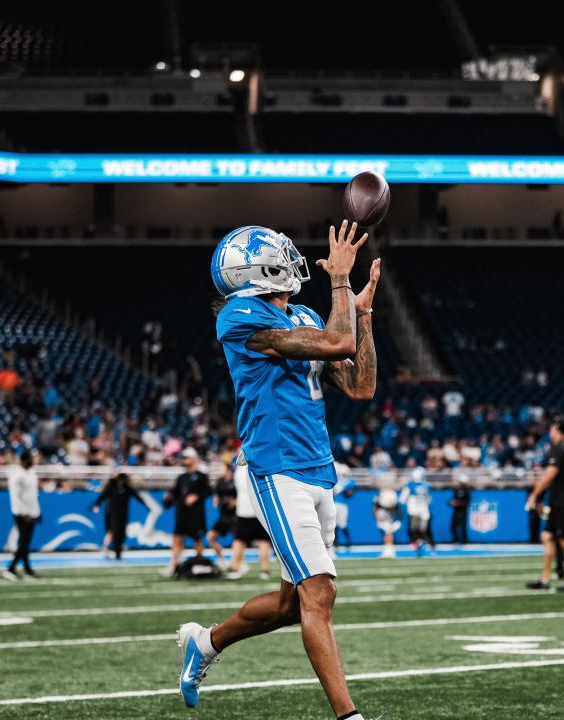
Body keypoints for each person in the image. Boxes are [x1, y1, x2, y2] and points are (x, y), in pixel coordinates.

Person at [176, 222, 380, 719]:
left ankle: (206, 643)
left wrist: (364, 311)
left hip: (316, 465)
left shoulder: (305, 313)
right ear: (257, 269)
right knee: (320, 592)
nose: (292, 258)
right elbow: (337, 344)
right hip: (277, 466)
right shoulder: (240, 316)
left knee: (293, 604)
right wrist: (339, 286)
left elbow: (360, 386)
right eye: (279, 254)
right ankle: (348, 717)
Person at [525, 418, 564, 591]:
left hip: (561, 502)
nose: (550, 431)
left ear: (557, 429)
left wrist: (534, 494)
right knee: (547, 536)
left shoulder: (557, 450)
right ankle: (544, 579)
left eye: (552, 428)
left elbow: (550, 473)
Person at [165, 449, 214, 574]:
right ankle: (174, 565)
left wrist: (196, 496)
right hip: (182, 513)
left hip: (196, 514)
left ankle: (199, 562)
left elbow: (208, 491)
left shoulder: (201, 476)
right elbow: (175, 493)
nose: (185, 460)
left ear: (194, 459)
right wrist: (169, 497)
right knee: (177, 538)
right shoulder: (181, 477)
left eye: (187, 457)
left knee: (197, 539)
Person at [228, 461, 273, 581]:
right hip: (259, 508)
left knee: (239, 540)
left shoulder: (239, 470)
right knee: (263, 541)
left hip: (243, 510)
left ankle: (235, 568)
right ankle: (265, 571)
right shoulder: (261, 465)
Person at [91, 471, 147, 560]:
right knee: (112, 532)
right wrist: (96, 504)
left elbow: (137, 497)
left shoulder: (127, 488)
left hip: (123, 514)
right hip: (112, 514)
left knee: (120, 533)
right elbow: (102, 496)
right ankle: (110, 550)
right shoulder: (112, 486)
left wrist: (147, 505)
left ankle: (117, 550)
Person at [4, 450, 41, 581]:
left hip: (31, 513)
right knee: (24, 543)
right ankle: (11, 568)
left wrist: (36, 512)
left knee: (26, 542)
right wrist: (23, 512)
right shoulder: (18, 475)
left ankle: (27, 569)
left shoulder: (31, 473)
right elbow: (16, 496)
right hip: (22, 513)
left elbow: (33, 496)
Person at [206, 463, 239, 568]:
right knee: (210, 537)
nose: (220, 470)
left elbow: (243, 496)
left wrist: (235, 502)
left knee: (237, 542)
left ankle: (238, 562)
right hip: (223, 516)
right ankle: (221, 558)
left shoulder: (236, 481)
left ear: (228, 470)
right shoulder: (219, 482)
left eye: (222, 468)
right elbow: (217, 496)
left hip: (235, 516)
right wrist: (217, 500)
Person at [399, 468, 434, 556]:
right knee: (422, 529)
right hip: (423, 509)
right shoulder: (426, 485)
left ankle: (419, 543)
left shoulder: (410, 485)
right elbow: (429, 499)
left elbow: (402, 499)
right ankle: (424, 544)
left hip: (414, 509)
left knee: (415, 529)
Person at [331, 462, 356, 551]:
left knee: (342, 524)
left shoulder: (348, 482)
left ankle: (349, 542)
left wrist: (343, 489)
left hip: (343, 505)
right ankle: (335, 543)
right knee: (334, 525)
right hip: (334, 503)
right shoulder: (335, 480)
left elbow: (350, 493)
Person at [448, 471, 471, 546]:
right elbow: (453, 500)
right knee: (453, 526)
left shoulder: (466, 490)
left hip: (462, 511)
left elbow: (466, 502)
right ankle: (456, 540)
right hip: (456, 510)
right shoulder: (457, 489)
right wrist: (451, 503)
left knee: (462, 526)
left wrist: (457, 502)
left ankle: (464, 541)